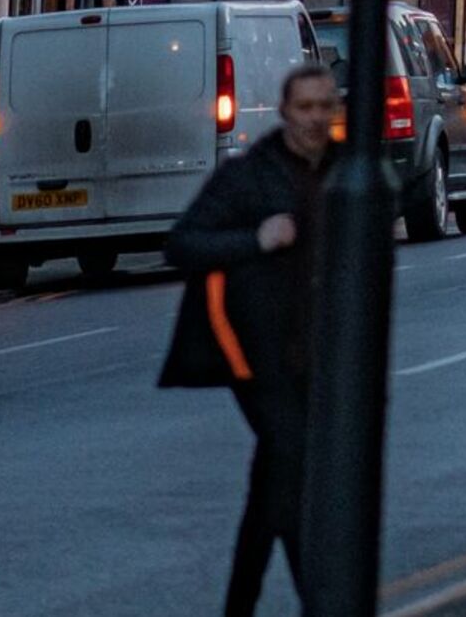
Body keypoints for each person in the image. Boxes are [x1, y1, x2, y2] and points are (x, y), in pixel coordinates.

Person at [159, 63, 339, 617]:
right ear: (285, 111)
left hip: (317, 357)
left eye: (323, 106)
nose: (314, 118)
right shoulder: (250, 175)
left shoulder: (344, 174)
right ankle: (324, 602)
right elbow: (182, 244)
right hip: (253, 356)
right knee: (292, 465)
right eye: (304, 107)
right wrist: (256, 239)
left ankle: (239, 607)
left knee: (273, 486)